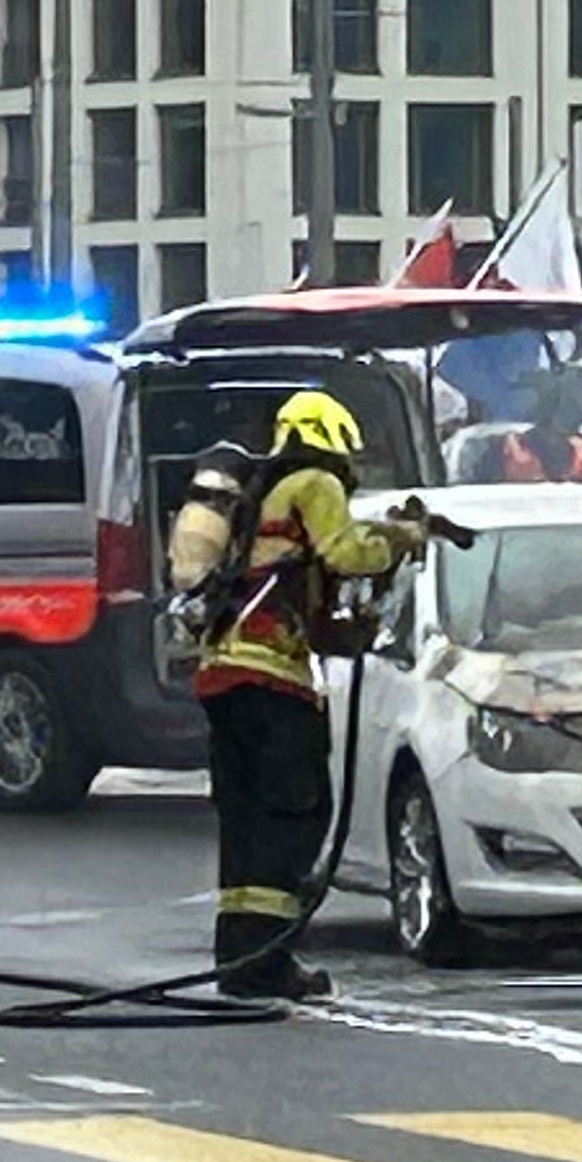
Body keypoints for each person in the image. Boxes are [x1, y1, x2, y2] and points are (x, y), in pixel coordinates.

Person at [196, 390, 425, 1003]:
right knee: (294, 817)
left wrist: (354, 633)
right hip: (271, 683)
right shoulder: (313, 481)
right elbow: (349, 553)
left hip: (225, 677)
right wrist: (401, 539)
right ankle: (267, 962)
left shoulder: (262, 500)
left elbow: (307, 603)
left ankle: (239, 960)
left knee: (246, 823)